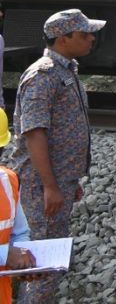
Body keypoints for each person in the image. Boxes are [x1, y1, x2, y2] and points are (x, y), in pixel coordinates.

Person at [12, 9, 103, 304]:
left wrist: (68, 180)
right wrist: (50, 186)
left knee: (51, 261)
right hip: (40, 186)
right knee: (39, 262)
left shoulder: (66, 70)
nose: (91, 38)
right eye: (84, 33)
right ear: (63, 39)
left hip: (57, 181)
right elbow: (34, 133)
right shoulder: (43, 75)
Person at [0, 108, 36, 304]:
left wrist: (25, 263)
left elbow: (20, 233)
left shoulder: (8, 181)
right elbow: (7, 253)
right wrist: (6, 255)